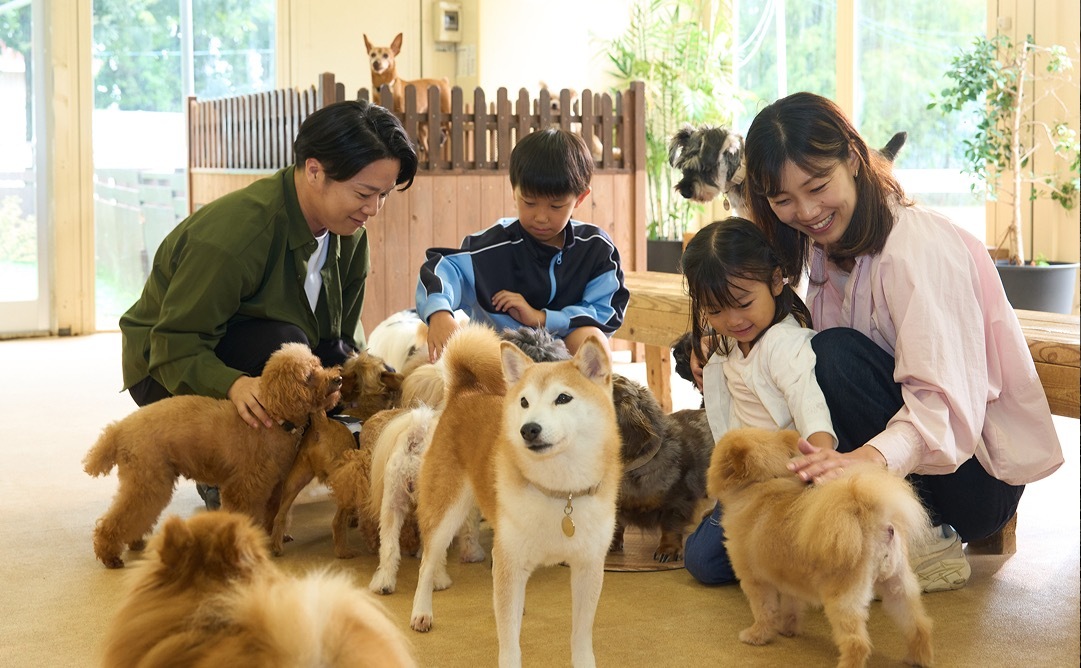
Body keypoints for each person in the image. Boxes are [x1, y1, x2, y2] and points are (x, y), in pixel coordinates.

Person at [740, 91, 1063, 592]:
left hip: (973, 481)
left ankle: (921, 534)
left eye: (818, 185)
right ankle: (875, 521)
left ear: (853, 157)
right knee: (726, 552)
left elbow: (943, 408)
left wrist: (862, 460)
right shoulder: (826, 252)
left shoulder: (917, 248)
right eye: (783, 200)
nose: (805, 212)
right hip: (895, 460)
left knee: (832, 355)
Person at [120, 99, 418, 505]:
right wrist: (233, 384)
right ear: (314, 171)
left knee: (332, 356)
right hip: (167, 369)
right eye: (364, 193)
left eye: (383, 195)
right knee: (286, 346)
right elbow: (173, 343)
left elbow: (341, 338)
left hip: (261, 347)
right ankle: (224, 465)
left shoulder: (351, 235)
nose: (374, 209)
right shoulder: (235, 235)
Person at [678, 217, 837, 585]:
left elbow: (808, 402)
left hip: (785, 484)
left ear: (777, 280)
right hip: (745, 482)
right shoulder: (730, 343)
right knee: (699, 560)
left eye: (743, 303)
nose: (732, 320)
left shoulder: (784, 345)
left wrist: (822, 462)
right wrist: (704, 347)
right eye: (715, 311)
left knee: (707, 560)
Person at [415, 127, 629, 361]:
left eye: (556, 206)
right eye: (529, 202)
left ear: (580, 198)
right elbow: (441, 268)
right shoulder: (490, 248)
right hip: (501, 362)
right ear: (513, 191)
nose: (540, 217)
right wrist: (439, 313)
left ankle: (599, 398)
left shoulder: (596, 249)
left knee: (592, 341)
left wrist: (543, 318)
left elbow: (607, 313)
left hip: (563, 362)